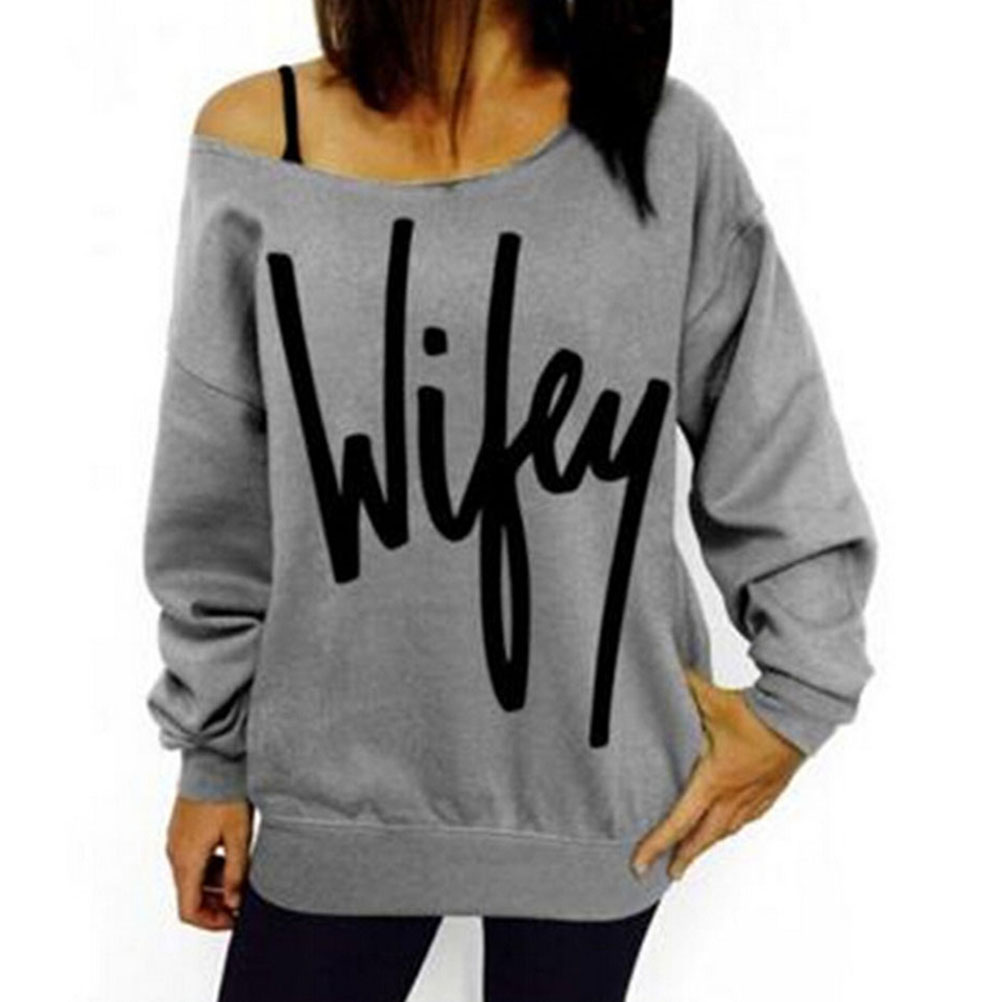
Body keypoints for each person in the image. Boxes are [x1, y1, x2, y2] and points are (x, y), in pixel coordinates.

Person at [141, 1, 879, 999]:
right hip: (336, 795)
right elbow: (215, 488)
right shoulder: (257, 142)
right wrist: (211, 757)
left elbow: (773, 432)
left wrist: (798, 701)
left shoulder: (666, 143)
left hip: (600, 802)